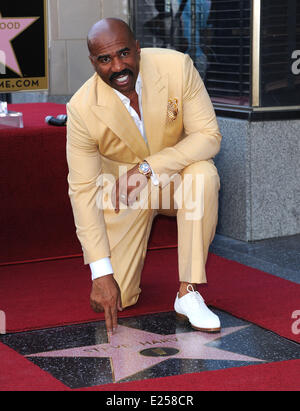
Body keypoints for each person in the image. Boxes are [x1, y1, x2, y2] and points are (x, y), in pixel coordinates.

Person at [66, 18, 222, 337]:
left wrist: (148, 167)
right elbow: (82, 191)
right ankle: (122, 272)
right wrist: (100, 270)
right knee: (118, 296)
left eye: (124, 53)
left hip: (172, 180)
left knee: (203, 174)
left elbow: (209, 136)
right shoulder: (81, 108)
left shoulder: (177, 67)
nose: (118, 66)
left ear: (138, 49)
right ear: (93, 62)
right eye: (105, 59)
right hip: (123, 195)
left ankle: (188, 292)